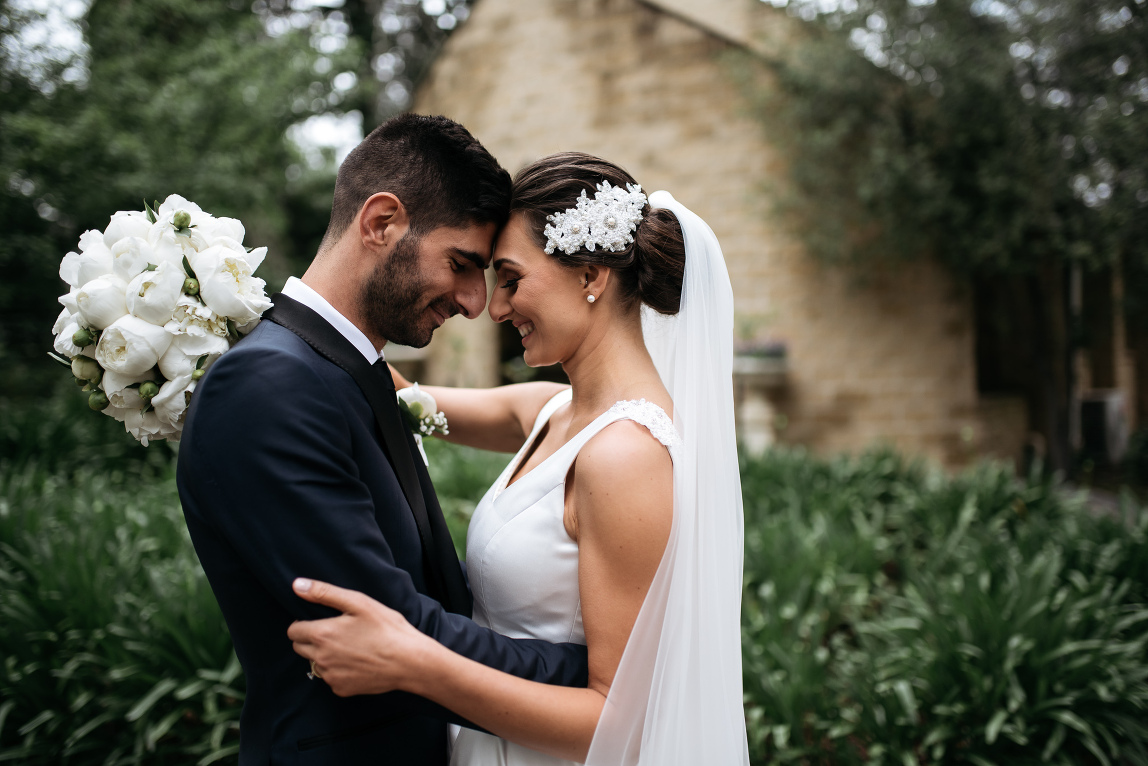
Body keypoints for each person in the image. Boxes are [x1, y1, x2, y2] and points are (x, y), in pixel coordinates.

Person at [286, 153, 751, 765]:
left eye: (510, 278)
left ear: (590, 274)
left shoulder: (624, 457)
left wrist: (414, 663)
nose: (494, 308)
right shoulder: (555, 411)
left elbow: (622, 723)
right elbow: (405, 395)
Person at [176, 115, 590, 765]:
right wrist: (605, 682)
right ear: (381, 222)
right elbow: (394, 626)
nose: (475, 303)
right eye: (462, 265)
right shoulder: (266, 385)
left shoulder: (347, 370)